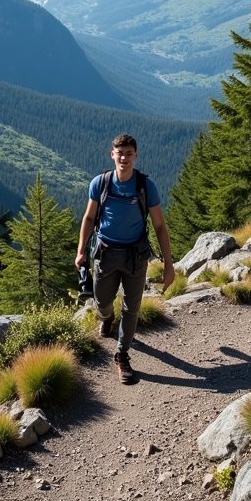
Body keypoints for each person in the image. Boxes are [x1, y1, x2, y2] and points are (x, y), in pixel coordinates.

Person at [75, 133, 175, 384]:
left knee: (132, 308)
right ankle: (107, 318)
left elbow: (160, 226)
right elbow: (89, 218)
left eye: (129, 153)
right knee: (102, 302)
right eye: (120, 153)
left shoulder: (144, 186)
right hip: (106, 254)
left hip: (135, 256)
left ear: (136, 156)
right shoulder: (100, 183)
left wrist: (169, 264)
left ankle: (122, 354)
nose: (124, 158)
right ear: (112, 155)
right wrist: (80, 251)